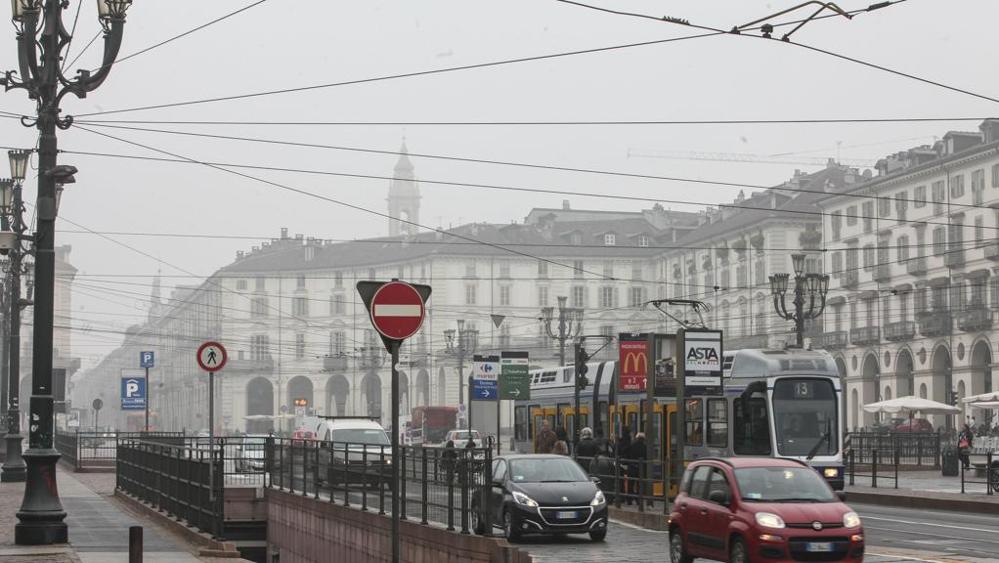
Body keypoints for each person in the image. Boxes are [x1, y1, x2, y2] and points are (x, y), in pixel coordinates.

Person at [627, 432, 648, 506]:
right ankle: (638, 500)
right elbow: (646, 458)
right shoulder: (645, 447)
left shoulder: (632, 445)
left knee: (631, 484)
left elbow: (628, 455)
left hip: (632, 467)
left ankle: (629, 500)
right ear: (643, 439)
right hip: (640, 468)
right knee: (639, 484)